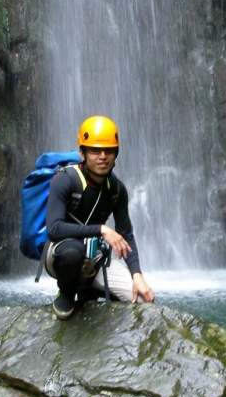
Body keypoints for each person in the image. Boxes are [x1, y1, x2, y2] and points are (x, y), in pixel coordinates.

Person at [46, 116, 155, 320]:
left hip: (94, 259)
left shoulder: (116, 190)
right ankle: (67, 291)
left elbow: (126, 236)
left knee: (141, 300)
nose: (102, 156)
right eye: (95, 150)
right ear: (82, 152)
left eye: (109, 150)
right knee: (72, 252)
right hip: (60, 255)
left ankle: (91, 291)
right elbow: (54, 228)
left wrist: (137, 275)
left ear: (116, 153)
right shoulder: (65, 180)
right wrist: (101, 229)